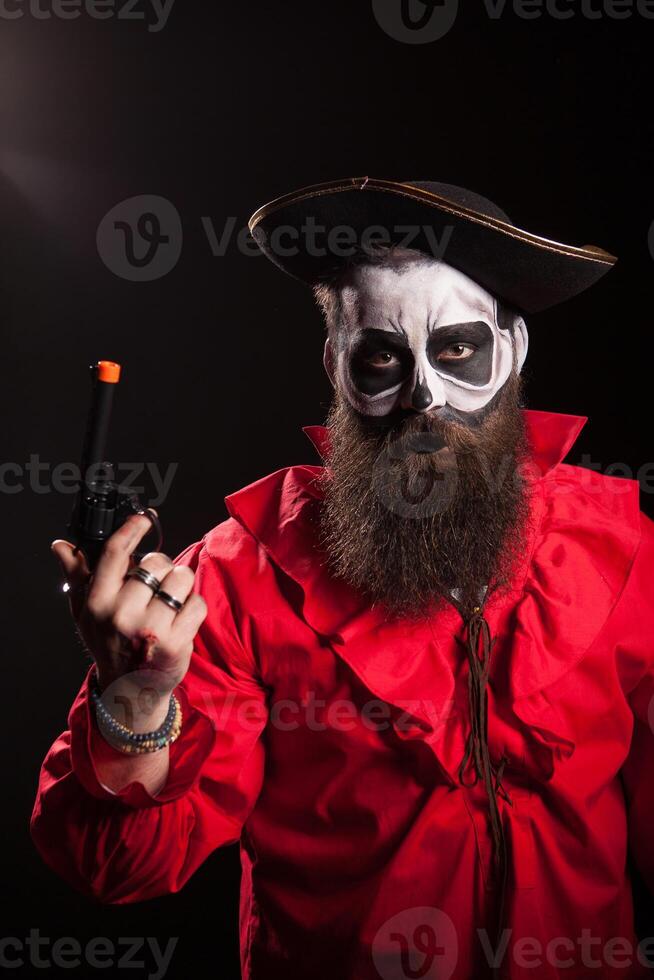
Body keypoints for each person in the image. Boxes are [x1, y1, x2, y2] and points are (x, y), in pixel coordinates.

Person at [32, 179, 654, 980]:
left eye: (459, 348)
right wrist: (137, 707)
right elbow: (118, 870)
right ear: (336, 366)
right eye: (384, 357)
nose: (425, 396)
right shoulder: (237, 575)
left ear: (515, 351)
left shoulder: (626, 550)